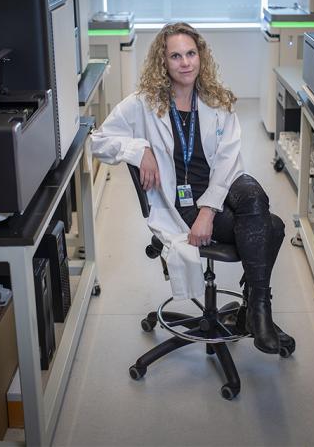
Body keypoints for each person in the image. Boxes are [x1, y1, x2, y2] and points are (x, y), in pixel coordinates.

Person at [90, 22, 286, 354]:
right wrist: (141, 150)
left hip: (221, 189)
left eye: (191, 53)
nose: (185, 63)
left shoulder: (216, 99)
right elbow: (98, 141)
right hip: (181, 204)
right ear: (162, 63)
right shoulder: (143, 104)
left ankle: (257, 309)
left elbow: (228, 160)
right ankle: (255, 310)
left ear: (201, 56)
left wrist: (209, 212)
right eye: (176, 56)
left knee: (252, 191)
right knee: (274, 227)